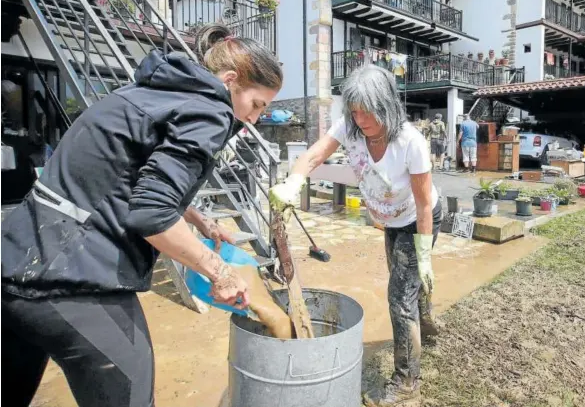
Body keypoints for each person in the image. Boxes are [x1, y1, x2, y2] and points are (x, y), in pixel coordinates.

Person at [1, 24, 283, 407]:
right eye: (256, 105)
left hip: (14, 260)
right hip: (69, 279)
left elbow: (129, 172)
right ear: (231, 81)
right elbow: (151, 214)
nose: (254, 119)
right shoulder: (210, 110)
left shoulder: (154, 91)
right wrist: (220, 271)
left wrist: (198, 219)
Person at [269, 65, 442, 406]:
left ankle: (408, 385)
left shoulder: (411, 142)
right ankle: (427, 320)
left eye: (368, 113)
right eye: (355, 112)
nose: (361, 120)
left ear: (388, 106)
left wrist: (425, 256)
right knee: (405, 283)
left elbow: (423, 205)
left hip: (417, 220)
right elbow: (315, 154)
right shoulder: (349, 127)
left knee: (399, 297)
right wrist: (294, 183)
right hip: (391, 223)